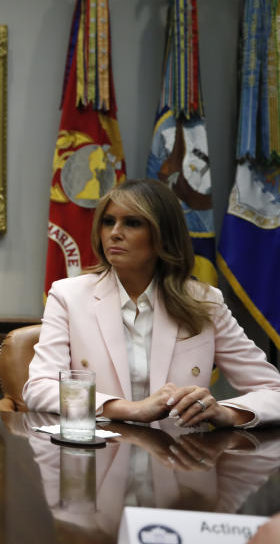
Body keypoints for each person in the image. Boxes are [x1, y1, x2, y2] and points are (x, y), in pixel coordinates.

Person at [23, 178, 280, 427]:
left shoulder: (205, 301)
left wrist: (226, 413)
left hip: (181, 457)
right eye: (108, 221)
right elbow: (39, 389)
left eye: (132, 223)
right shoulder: (69, 295)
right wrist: (132, 410)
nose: (114, 233)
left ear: (163, 234)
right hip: (100, 457)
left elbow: (274, 391)